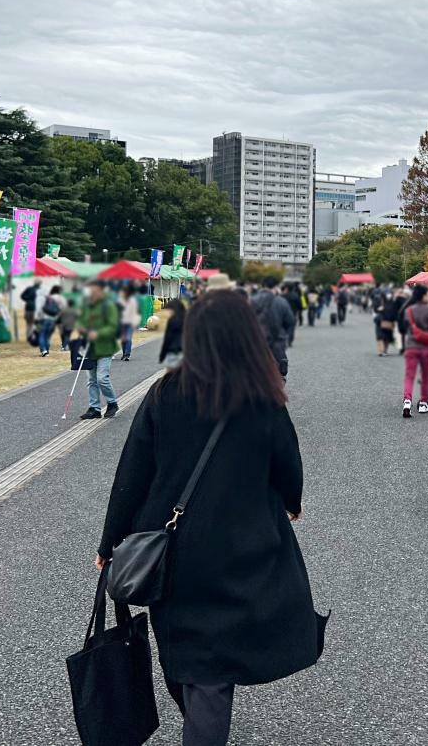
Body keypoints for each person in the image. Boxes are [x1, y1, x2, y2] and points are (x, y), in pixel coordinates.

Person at [95, 290, 326, 746]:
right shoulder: (263, 396)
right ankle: (204, 714)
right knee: (210, 670)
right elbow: (287, 462)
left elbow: (133, 474)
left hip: (174, 549)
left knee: (190, 661)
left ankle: (201, 716)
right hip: (244, 546)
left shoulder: (166, 391)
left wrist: (111, 542)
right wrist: (291, 501)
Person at [79, 280, 120, 420]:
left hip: (105, 347)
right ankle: (94, 408)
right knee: (91, 380)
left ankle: (112, 402)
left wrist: (98, 333)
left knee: (102, 378)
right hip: (90, 348)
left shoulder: (108, 305)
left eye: (94, 290)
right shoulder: (87, 305)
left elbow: (113, 327)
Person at [401, 284, 428, 417]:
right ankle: (424, 403)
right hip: (426, 348)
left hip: (411, 347)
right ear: (423, 296)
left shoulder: (409, 311)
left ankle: (407, 401)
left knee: (409, 376)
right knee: (425, 376)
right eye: (427, 294)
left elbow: (404, 328)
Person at [252, 277, 294, 383]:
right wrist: (285, 335)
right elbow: (290, 321)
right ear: (276, 287)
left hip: (257, 340)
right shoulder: (281, 301)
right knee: (277, 368)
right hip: (277, 340)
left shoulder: (252, 300)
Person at [159, 299, 186, 369]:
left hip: (173, 351)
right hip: (185, 352)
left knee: (170, 375)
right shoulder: (188, 319)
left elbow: (168, 338)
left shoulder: (172, 321)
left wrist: (162, 356)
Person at [118, 286, 140, 361]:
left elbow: (134, 312)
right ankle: (124, 353)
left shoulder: (132, 301)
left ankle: (127, 354)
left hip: (130, 322)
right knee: (123, 339)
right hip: (121, 322)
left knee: (128, 338)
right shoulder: (120, 300)